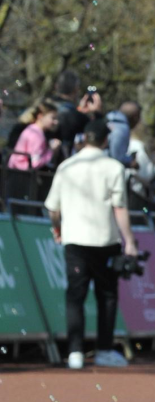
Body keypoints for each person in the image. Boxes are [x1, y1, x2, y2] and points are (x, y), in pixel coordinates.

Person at [44, 118, 137, 370]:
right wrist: (129, 240)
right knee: (106, 295)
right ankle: (104, 350)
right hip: (105, 239)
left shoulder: (66, 166)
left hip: (74, 239)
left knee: (75, 295)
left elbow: (52, 208)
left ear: (84, 138)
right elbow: (119, 207)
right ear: (106, 140)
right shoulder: (114, 167)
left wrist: (58, 228)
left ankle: (75, 352)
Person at [51, 70, 103, 157]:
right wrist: (98, 113)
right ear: (76, 89)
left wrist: (79, 110)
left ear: (56, 86)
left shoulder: (44, 108)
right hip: (64, 162)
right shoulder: (77, 117)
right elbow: (98, 136)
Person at [7, 100, 61, 171]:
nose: (56, 122)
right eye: (53, 118)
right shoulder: (36, 135)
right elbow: (35, 163)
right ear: (40, 116)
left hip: (15, 171)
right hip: (21, 174)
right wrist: (51, 151)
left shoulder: (32, 129)